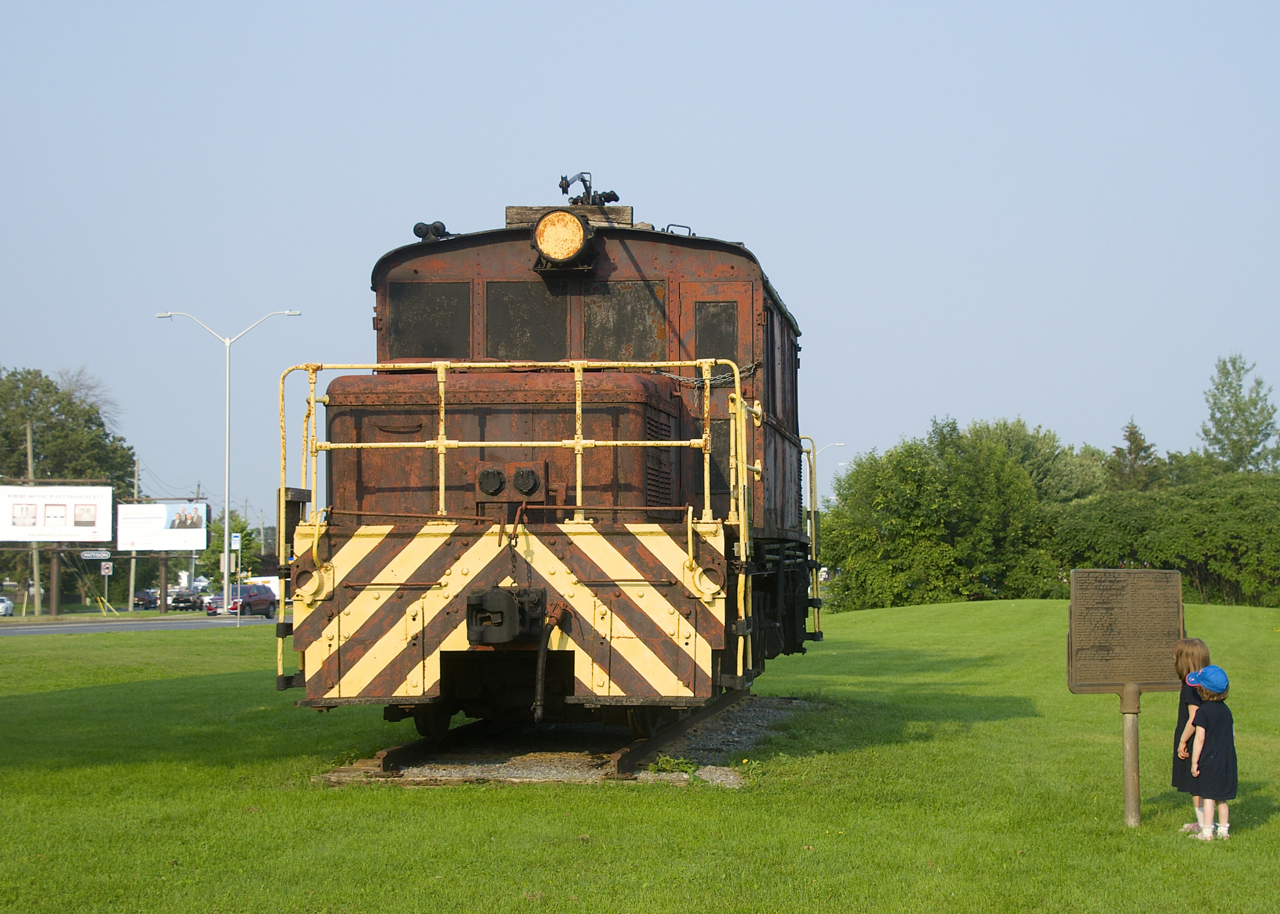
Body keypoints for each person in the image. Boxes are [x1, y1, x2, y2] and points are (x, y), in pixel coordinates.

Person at [1187, 665, 1237, 841]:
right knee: (1222, 798)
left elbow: (1199, 739)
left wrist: (1194, 762)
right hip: (1226, 757)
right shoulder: (1226, 710)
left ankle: (1207, 832)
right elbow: (1232, 734)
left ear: (1202, 690)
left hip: (1209, 758)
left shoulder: (1203, 712)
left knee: (1208, 796)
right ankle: (1224, 831)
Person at [1172, 638, 1210, 832]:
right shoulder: (1206, 683)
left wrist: (1182, 741)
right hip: (1208, 737)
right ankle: (1206, 822)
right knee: (1202, 782)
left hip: (1194, 740)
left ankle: (1203, 824)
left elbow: (1194, 717)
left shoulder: (1190, 686)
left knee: (1195, 783)